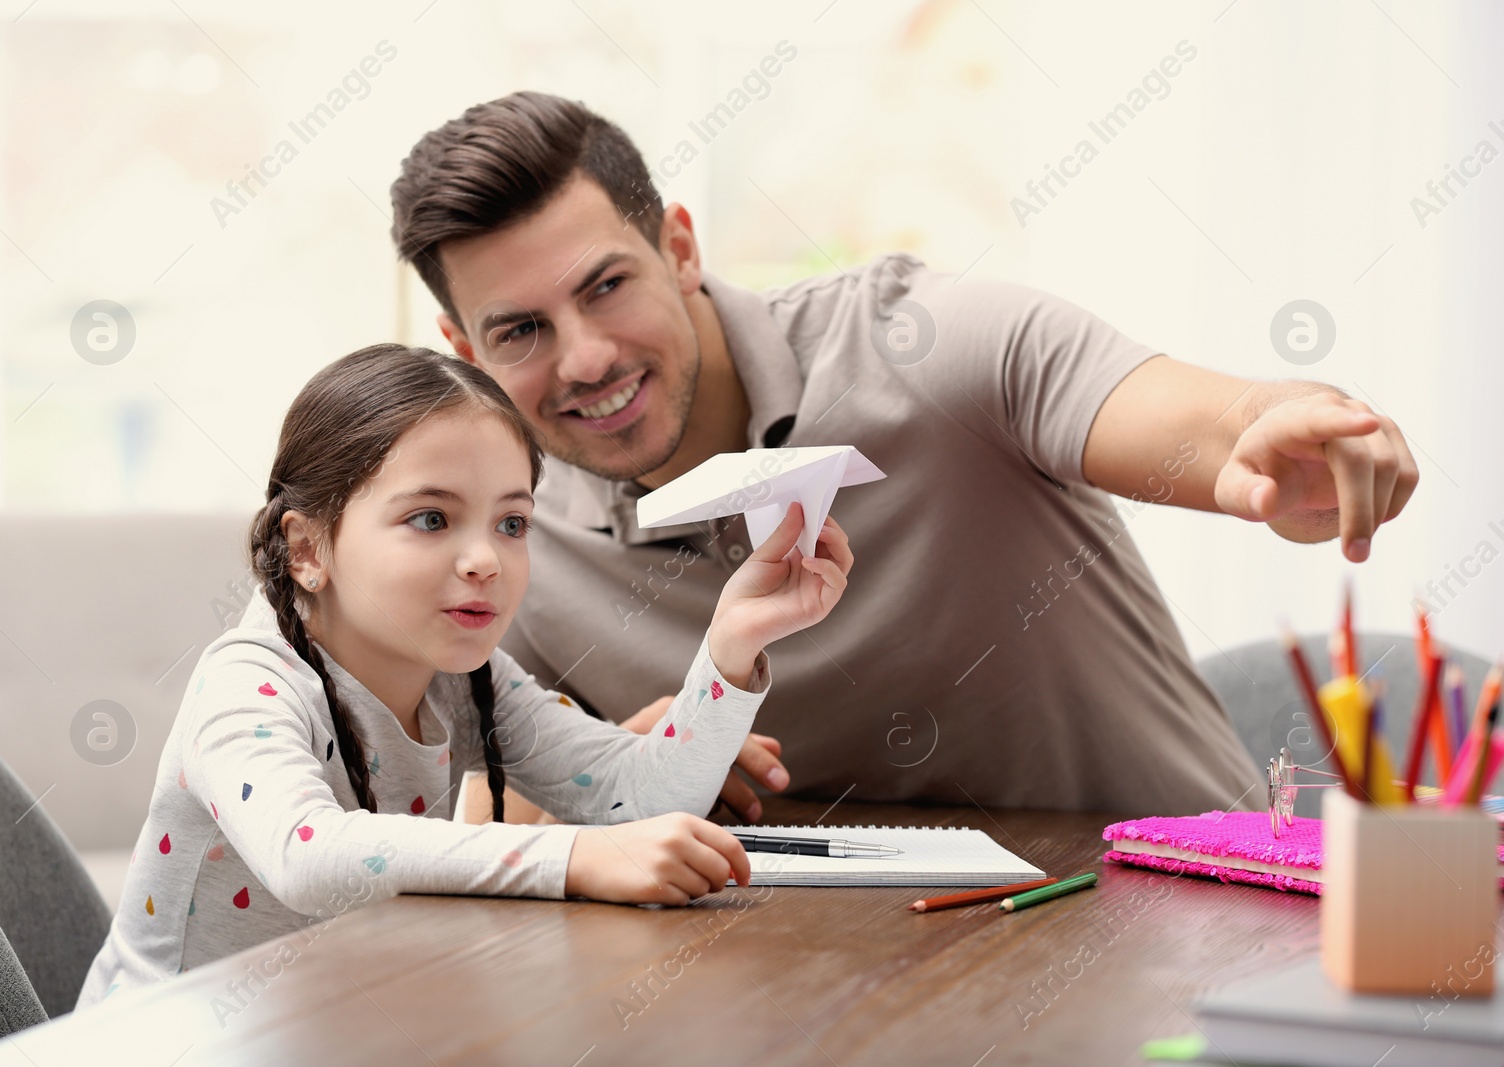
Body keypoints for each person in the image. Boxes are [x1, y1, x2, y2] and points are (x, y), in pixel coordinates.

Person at [386, 91, 1420, 821]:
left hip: (1175, 936)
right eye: (519, 331)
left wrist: (1276, 432)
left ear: (683, 250)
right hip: (829, 995)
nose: (587, 358)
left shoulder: (923, 344)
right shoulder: (504, 536)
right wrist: (603, 779)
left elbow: (1203, 413)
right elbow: (474, 803)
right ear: (466, 352)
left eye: (606, 284)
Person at [75, 343, 854, 1005]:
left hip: (328, 1025)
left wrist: (732, 643)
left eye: (511, 522)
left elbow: (637, 796)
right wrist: (577, 858)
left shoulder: (467, 676)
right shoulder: (248, 682)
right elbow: (308, 853)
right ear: (308, 549)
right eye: (431, 519)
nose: (485, 559)